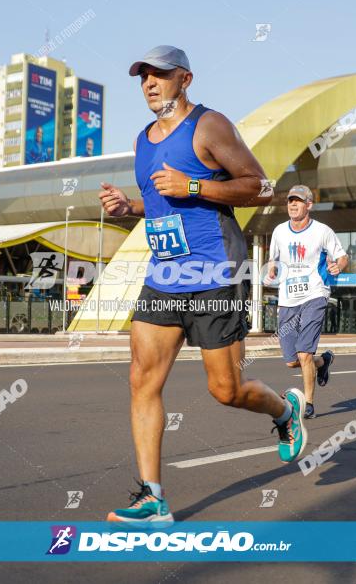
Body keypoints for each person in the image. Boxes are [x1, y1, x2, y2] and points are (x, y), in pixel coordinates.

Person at [98, 45, 306, 526]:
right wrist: (130, 208)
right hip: (165, 272)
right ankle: (152, 498)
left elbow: (260, 186)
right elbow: (162, 202)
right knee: (141, 380)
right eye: (143, 76)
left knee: (226, 390)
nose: (149, 83)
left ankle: (284, 410)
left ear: (184, 79)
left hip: (214, 270)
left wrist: (194, 186)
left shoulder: (210, 126)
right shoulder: (143, 140)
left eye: (160, 75)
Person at [266, 185, 348, 419]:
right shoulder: (279, 231)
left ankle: (308, 404)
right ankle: (323, 362)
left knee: (303, 354)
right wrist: (271, 268)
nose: (292, 204)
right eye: (290, 200)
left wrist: (338, 266)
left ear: (309, 205)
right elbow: (274, 259)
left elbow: (342, 257)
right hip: (288, 298)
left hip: (315, 293)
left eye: (298, 201)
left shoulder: (322, 231)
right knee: (292, 361)